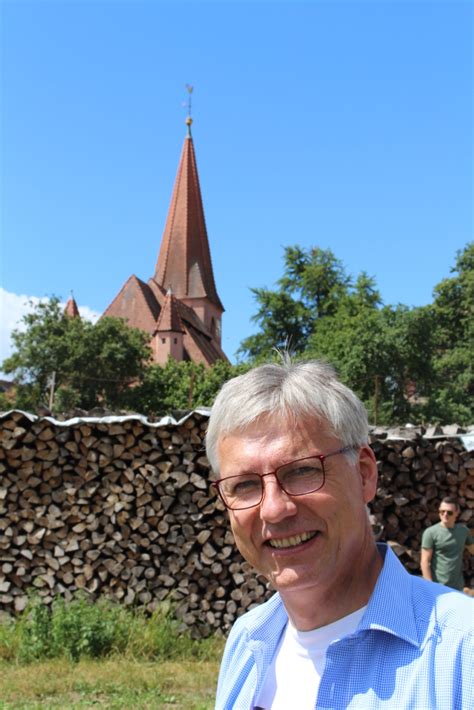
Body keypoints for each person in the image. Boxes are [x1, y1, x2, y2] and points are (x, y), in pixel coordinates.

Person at [205, 358, 473, 710]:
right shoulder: (247, 641)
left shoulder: (460, 650)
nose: (273, 509)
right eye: (244, 485)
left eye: (301, 471)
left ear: (364, 474)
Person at [420, 496, 473, 590]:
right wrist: (429, 585)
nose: (445, 514)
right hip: (437, 587)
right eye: (442, 511)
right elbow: (425, 561)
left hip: (458, 588)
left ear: (457, 513)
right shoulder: (430, 533)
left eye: (449, 512)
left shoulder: (463, 531)